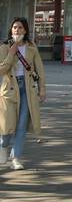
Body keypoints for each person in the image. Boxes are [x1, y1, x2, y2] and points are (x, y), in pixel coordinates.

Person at [0, 18, 46, 171]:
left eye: (20, 27)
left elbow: (40, 70)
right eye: (14, 27)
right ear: (11, 30)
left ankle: (16, 158)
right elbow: (1, 70)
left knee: (21, 126)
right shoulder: (5, 47)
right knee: (6, 126)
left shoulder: (32, 47)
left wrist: (42, 89)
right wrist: (11, 54)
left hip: (27, 89)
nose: (17, 30)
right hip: (9, 90)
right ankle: (3, 146)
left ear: (25, 30)